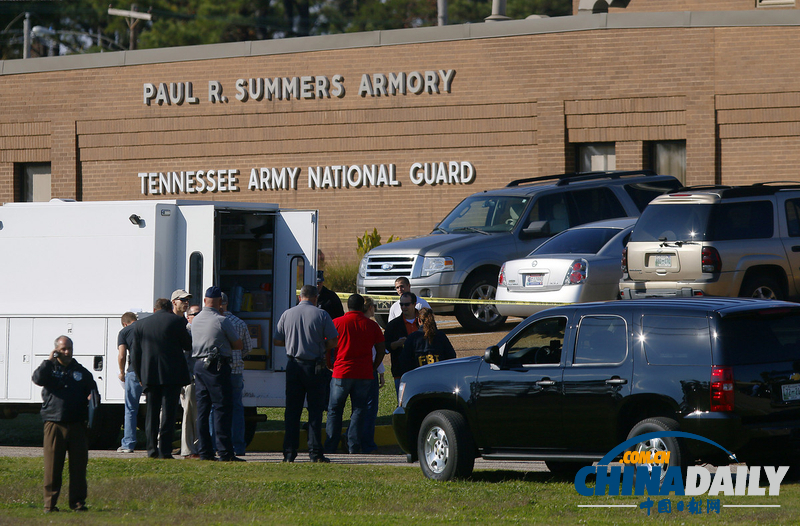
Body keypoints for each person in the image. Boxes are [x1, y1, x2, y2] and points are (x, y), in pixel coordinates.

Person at [273, 285, 338, 463]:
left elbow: (277, 340)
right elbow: (333, 340)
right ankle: (315, 452)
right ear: (316, 297)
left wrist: (293, 342)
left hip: (293, 366)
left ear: (300, 297)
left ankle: (289, 453)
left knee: (292, 411)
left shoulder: (287, 314)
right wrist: (320, 346)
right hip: (314, 367)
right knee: (315, 411)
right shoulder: (321, 314)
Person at [32, 335, 96, 513]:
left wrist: (92, 397)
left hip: (77, 424)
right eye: (63, 349)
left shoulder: (81, 371)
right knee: (52, 467)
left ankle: (77, 503)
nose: (67, 352)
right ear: (56, 350)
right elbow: (37, 378)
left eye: (69, 348)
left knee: (78, 467)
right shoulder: (49, 369)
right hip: (54, 422)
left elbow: (92, 389)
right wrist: (48, 360)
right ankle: (49, 504)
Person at [131, 298, 192, 460]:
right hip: (171, 375)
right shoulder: (178, 321)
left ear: (154, 309)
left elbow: (135, 354)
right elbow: (187, 345)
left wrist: (139, 375)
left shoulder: (141, 324)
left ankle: (151, 449)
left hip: (149, 375)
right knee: (168, 414)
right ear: (169, 307)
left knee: (151, 413)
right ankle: (164, 450)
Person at [325, 294, 385, 454]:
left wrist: (329, 364)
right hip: (364, 373)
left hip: (341, 372)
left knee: (335, 410)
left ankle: (331, 445)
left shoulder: (337, 322)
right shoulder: (372, 326)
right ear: (362, 307)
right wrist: (374, 366)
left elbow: (327, 345)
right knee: (359, 410)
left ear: (348, 307)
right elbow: (380, 349)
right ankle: (353, 445)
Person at [190, 286, 244, 462]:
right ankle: (225, 452)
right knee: (222, 408)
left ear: (205, 300)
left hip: (199, 365)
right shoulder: (222, 320)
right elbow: (238, 345)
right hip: (218, 366)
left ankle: (205, 451)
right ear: (220, 303)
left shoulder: (195, 321)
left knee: (203, 410)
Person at [220, 292, 253, 456]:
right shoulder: (239, 322)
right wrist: (238, 356)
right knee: (237, 409)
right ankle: (238, 446)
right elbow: (247, 347)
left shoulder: (212, 321)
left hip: (218, 371)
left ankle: (216, 445)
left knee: (217, 408)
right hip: (236, 370)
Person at [360, 296, 385, 453]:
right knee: (370, 409)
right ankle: (367, 442)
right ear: (370, 308)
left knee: (357, 409)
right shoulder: (371, 326)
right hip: (369, 371)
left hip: (350, 372)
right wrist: (380, 371)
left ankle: (352, 437)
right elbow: (376, 351)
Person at [383, 292, 420, 397]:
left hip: (422, 369)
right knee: (403, 402)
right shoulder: (393, 325)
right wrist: (396, 344)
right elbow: (385, 346)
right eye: (401, 304)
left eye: (407, 304)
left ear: (414, 304)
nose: (403, 307)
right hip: (401, 371)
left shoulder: (425, 321)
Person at [399, 308, 456, 376]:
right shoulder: (441, 336)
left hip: (419, 378)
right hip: (439, 377)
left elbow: (404, 362)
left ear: (419, 320)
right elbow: (451, 357)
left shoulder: (412, 338)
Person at [116, 312, 140, 453]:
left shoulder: (124, 332)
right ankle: (155, 442)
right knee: (154, 408)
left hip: (133, 372)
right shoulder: (145, 327)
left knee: (131, 409)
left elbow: (122, 355)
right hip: (150, 372)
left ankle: (128, 444)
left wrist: (121, 371)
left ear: (125, 323)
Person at [180, 304, 202, 458]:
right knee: (189, 414)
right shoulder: (187, 331)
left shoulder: (198, 330)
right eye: (196, 314)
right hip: (189, 379)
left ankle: (198, 447)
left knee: (198, 414)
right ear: (188, 317)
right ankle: (189, 449)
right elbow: (184, 358)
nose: (199, 316)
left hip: (199, 378)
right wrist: (188, 377)